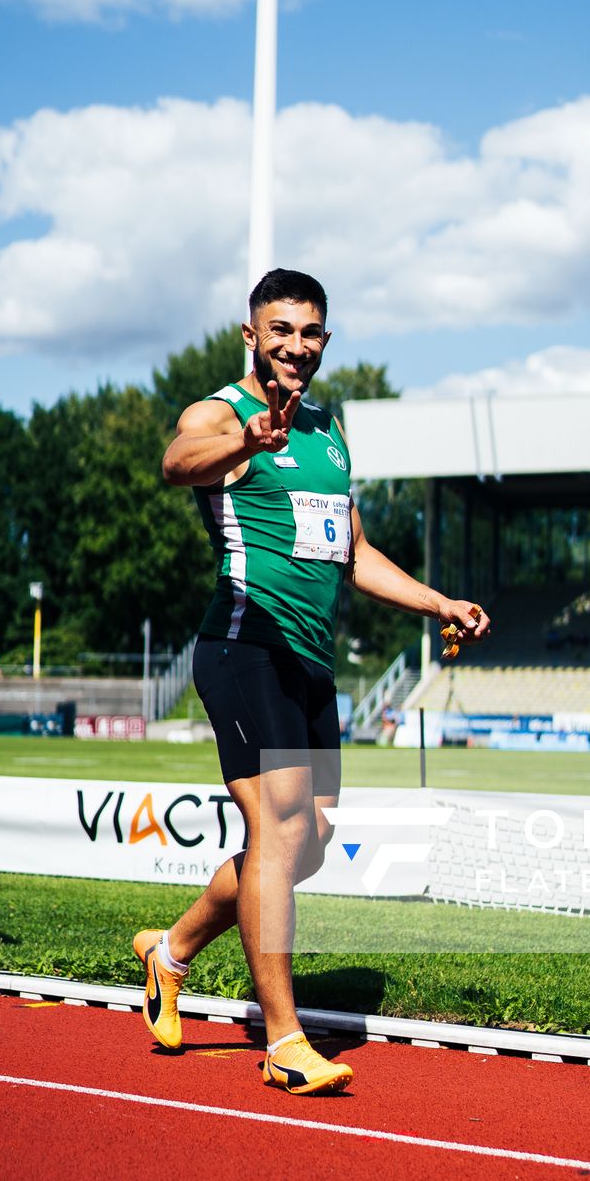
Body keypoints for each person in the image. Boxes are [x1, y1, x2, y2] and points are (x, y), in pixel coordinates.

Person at [135, 269, 490, 1096]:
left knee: (309, 842)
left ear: (325, 340)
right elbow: (175, 462)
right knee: (280, 823)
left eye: (311, 332)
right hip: (243, 645)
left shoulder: (329, 432)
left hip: (309, 664)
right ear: (251, 336)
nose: (296, 345)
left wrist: (438, 600)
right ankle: (284, 1040)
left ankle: (172, 949)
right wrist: (243, 443)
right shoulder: (220, 413)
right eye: (280, 329)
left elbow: (356, 554)